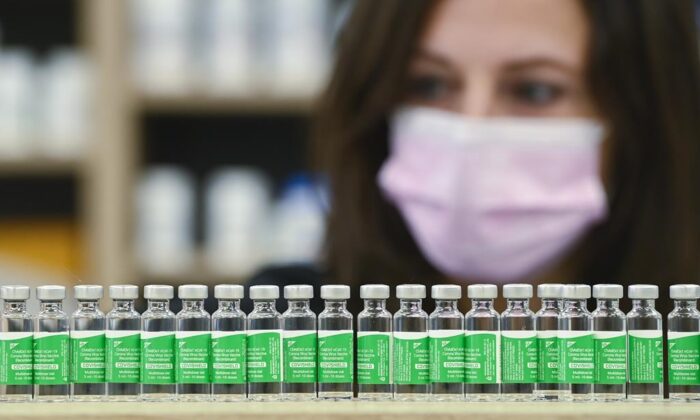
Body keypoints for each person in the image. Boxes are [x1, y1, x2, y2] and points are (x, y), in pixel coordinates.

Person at [248, 0, 700, 316]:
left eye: (535, 91)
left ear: (641, 117)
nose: (471, 130)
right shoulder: (279, 325)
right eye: (429, 85)